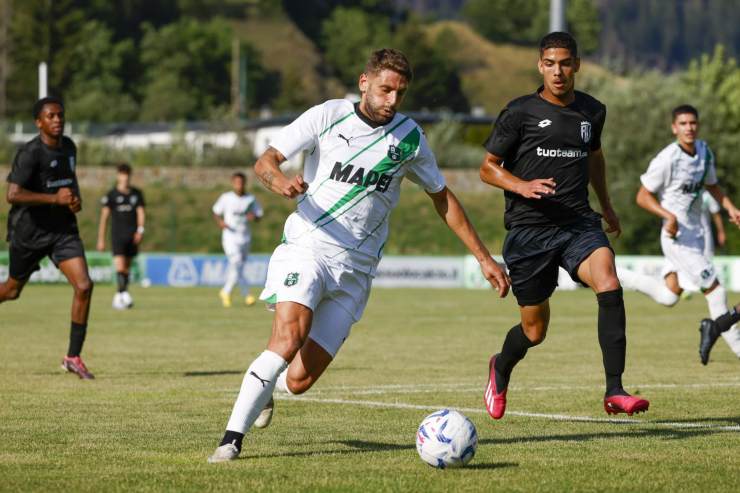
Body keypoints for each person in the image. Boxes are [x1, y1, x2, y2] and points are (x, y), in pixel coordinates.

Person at [208, 48, 510, 463]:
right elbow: (266, 160)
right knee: (287, 338)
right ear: (364, 82)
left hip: (357, 270)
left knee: (298, 380)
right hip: (308, 247)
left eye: (400, 93)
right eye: (385, 89)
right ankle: (231, 440)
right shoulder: (328, 115)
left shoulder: (409, 138)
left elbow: (443, 199)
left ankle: (269, 389)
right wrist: (277, 182)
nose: (391, 100)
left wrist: (483, 257)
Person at [479, 32, 649, 420]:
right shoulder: (519, 112)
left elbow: (595, 160)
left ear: (577, 65)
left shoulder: (592, 111)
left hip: (578, 223)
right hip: (529, 229)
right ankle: (500, 367)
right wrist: (521, 185)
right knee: (534, 332)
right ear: (540, 66)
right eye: (550, 63)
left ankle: (615, 390)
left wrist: (606, 205)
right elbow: (487, 167)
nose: (558, 71)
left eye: (565, 63)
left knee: (608, 280)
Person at [616, 105, 740, 362]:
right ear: (674, 128)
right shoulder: (667, 159)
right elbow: (642, 196)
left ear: (698, 125)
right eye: (683, 123)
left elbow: (712, 185)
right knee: (716, 292)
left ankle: (616, 273)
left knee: (669, 296)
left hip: (697, 236)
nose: (689, 128)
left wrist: (730, 208)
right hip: (677, 238)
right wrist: (667, 216)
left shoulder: (704, 152)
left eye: (692, 123)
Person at [0, 96, 94, 379]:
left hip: (63, 231)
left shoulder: (69, 148)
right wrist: (55, 198)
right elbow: (12, 195)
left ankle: (73, 357)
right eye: (51, 116)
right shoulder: (30, 153)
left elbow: (70, 185)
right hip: (28, 233)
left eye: (60, 115)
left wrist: (74, 201)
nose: (57, 120)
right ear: (38, 122)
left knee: (84, 285)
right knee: (11, 292)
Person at [96, 163, 146, 309]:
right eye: (122, 175)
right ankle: (125, 295)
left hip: (132, 236)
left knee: (126, 269)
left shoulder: (136, 194)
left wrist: (140, 230)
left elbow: (141, 213)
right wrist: (101, 239)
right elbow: (104, 218)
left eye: (127, 175)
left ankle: (119, 297)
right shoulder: (111, 195)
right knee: (120, 266)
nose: (125, 178)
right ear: (118, 176)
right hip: (117, 236)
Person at [212, 172, 263, 308]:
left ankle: (225, 291)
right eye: (236, 182)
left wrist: (255, 217)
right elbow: (216, 212)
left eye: (241, 182)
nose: (239, 185)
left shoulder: (251, 199)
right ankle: (247, 295)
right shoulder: (226, 198)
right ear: (233, 183)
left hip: (245, 237)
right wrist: (220, 222)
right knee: (237, 263)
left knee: (238, 267)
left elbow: (258, 215)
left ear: (244, 183)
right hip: (230, 237)